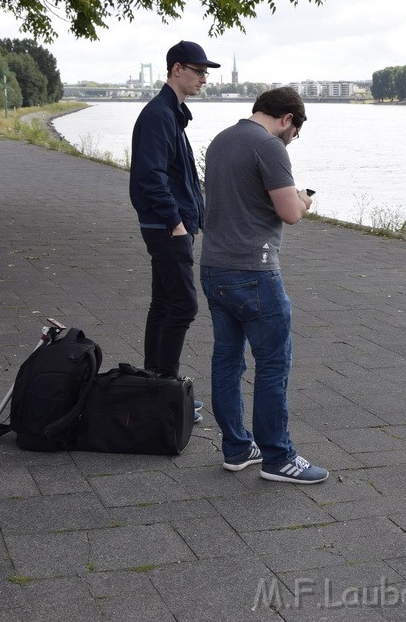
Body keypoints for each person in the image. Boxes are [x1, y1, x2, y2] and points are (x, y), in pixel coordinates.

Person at [199, 86, 327, 484]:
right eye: (295, 132)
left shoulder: (220, 141)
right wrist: (304, 199)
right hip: (254, 271)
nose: (292, 140)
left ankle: (237, 447)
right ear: (287, 118)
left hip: (214, 266)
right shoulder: (269, 146)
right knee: (272, 364)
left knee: (227, 361)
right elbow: (288, 212)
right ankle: (278, 457)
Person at [129, 40, 219, 423]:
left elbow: (175, 175)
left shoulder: (171, 113)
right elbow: (150, 176)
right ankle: (165, 388)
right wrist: (177, 223)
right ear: (177, 69)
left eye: (205, 73)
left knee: (164, 303)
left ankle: (155, 384)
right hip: (167, 228)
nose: (203, 79)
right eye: (198, 71)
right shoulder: (159, 115)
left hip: (170, 225)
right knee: (184, 305)